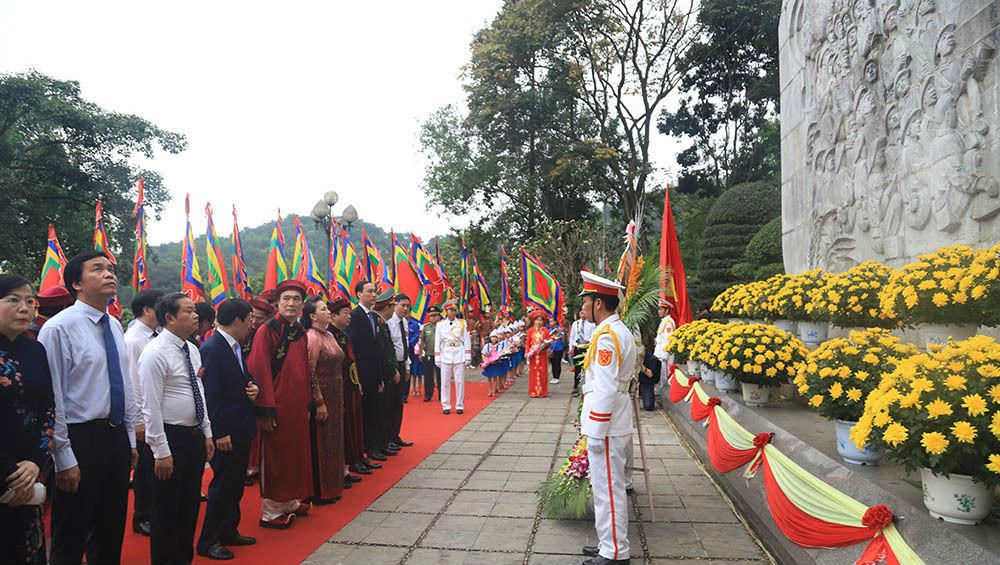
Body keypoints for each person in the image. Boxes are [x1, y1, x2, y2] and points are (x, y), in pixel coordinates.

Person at [38, 251, 139, 565]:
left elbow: (124, 383)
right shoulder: (58, 328)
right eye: (98, 269)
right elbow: (53, 396)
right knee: (71, 532)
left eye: (110, 269)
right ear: (76, 284)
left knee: (111, 528)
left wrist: (130, 439)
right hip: (79, 439)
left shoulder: (115, 325)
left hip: (115, 436)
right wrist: (63, 456)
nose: (109, 274)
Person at [138, 292, 215, 565]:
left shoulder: (191, 348)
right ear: (169, 318)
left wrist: (207, 432)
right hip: (170, 439)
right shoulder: (155, 353)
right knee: (166, 511)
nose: (196, 316)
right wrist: (161, 452)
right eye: (189, 311)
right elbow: (150, 406)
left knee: (189, 507)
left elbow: (198, 392)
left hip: (193, 437)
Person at [578, 272, 636, 565]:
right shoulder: (614, 331)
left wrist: (596, 431)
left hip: (608, 425)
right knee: (605, 488)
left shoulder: (607, 337)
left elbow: (605, 387)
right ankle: (607, 544)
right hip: (614, 421)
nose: (583, 308)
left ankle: (615, 552)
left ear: (598, 303)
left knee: (608, 490)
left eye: (586, 302)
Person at [246, 280, 313, 529]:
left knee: (295, 453)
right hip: (277, 406)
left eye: (296, 299)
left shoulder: (300, 331)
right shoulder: (267, 330)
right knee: (276, 456)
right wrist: (265, 410)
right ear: (277, 303)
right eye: (286, 298)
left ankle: (289, 500)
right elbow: (259, 370)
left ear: (303, 304)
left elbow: (304, 368)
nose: (291, 303)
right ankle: (271, 510)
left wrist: (308, 402)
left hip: (297, 405)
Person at [197, 298, 260, 560]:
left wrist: (254, 388)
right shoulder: (213, 348)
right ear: (237, 320)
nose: (251, 323)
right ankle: (209, 540)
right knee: (222, 487)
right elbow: (210, 395)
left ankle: (228, 530)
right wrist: (219, 432)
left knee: (235, 485)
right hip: (226, 432)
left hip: (241, 426)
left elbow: (243, 378)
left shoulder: (233, 345)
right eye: (249, 318)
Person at [0, 274, 55, 565]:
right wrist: (9, 473)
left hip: (28, 474)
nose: (25, 308)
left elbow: (48, 409)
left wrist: (35, 462)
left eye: (30, 301)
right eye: (13, 300)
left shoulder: (35, 349)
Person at [123, 288, 164, 538]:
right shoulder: (133, 339)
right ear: (147, 309)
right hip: (143, 417)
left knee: (154, 466)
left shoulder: (157, 335)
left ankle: (153, 511)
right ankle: (142, 516)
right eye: (160, 305)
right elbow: (133, 383)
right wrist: (139, 421)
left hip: (157, 412)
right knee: (145, 469)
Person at [302, 296, 344, 504]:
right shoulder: (312, 337)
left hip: (336, 394)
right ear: (312, 316)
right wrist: (319, 402)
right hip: (323, 395)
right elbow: (310, 372)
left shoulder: (329, 334)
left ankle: (334, 486)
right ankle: (320, 491)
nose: (328, 312)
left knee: (334, 441)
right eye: (324, 309)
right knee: (322, 443)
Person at [328, 297, 372, 477]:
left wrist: (358, 382)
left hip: (351, 384)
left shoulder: (343, 335)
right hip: (340, 386)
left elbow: (352, 361)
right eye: (345, 313)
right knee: (346, 425)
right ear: (333, 316)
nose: (349, 317)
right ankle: (349, 462)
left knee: (355, 422)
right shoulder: (329, 336)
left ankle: (358, 457)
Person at [348, 281, 390, 461]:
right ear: (359, 294)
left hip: (374, 374)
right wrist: (357, 379)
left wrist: (380, 377)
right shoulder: (354, 316)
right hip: (362, 375)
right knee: (365, 414)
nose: (374, 295)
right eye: (370, 291)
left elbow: (377, 349)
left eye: (375, 291)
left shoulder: (373, 316)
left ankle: (375, 446)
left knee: (375, 412)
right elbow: (353, 350)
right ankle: (367, 449)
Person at [243, 297, 273, 485]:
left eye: (259, 318)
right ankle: (247, 466)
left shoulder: (268, 334)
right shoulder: (243, 332)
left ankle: (256, 464)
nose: (254, 322)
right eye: (252, 317)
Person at [372, 290, 402, 454]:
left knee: (390, 408)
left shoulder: (382, 323)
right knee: (383, 411)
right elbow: (383, 352)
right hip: (384, 374)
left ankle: (388, 440)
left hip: (390, 372)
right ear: (387, 308)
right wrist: (391, 371)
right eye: (393, 306)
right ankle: (382, 443)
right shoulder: (378, 323)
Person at [434, 298, 470, 415]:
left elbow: (467, 340)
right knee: (444, 382)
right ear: (446, 311)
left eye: (454, 310)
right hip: (445, 354)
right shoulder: (440, 325)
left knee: (460, 382)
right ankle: (446, 405)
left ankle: (459, 405)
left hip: (459, 354)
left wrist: (468, 356)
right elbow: (437, 342)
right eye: (451, 310)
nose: (453, 312)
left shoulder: (462, 323)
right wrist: (437, 357)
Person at [386, 294, 413, 449]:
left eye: (408, 306)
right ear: (394, 305)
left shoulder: (404, 322)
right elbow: (389, 347)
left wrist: (407, 366)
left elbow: (405, 345)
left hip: (403, 365)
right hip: (393, 367)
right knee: (390, 403)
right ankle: (388, 437)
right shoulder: (389, 322)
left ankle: (396, 435)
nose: (405, 309)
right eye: (402, 305)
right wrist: (393, 368)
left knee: (399, 403)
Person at [418, 305, 441, 401]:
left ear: (439, 316)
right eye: (431, 316)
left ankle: (441, 394)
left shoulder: (443, 326)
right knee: (428, 376)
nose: (433, 318)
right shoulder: (426, 327)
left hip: (440, 355)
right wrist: (420, 353)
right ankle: (428, 394)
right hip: (428, 354)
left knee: (441, 376)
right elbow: (422, 341)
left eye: (435, 315)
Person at [526, 312, 551, 398]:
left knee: (543, 373)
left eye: (540, 320)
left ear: (543, 322)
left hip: (542, 355)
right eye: (537, 320)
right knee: (533, 373)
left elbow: (549, 342)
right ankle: (533, 391)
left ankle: (542, 392)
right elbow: (527, 343)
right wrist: (527, 352)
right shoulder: (530, 331)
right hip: (533, 356)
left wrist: (545, 346)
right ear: (534, 321)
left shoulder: (545, 330)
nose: (538, 322)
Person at [406, 313, 421, 400]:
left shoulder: (415, 324)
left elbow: (416, 335)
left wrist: (408, 344)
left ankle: (413, 390)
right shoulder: (399, 322)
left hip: (412, 350)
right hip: (402, 348)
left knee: (413, 370)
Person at [548, 317, 565, 385]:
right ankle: (554, 376)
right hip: (551, 349)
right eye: (550, 321)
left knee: (557, 363)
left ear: (555, 322)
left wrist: (561, 344)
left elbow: (563, 338)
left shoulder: (559, 329)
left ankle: (557, 377)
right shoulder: (549, 330)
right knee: (553, 363)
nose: (550, 323)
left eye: (552, 321)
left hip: (558, 348)